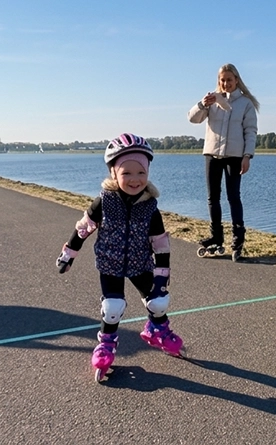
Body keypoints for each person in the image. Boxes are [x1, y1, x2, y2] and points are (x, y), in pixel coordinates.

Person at [56, 133, 182, 382]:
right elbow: (84, 228)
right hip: (110, 264)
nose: (135, 180)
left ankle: (158, 329)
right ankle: (106, 344)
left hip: (140, 263)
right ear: (114, 173)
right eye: (127, 173)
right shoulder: (105, 201)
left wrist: (162, 273)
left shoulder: (150, 206)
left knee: (158, 301)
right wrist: (68, 254)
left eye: (141, 173)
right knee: (112, 308)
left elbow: (160, 243)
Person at [188, 63, 259, 262]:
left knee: (233, 197)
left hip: (234, 156)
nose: (225, 83)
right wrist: (203, 104)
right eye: (222, 80)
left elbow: (250, 131)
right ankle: (216, 236)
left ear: (236, 80)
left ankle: (238, 240)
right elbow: (193, 119)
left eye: (229, 79)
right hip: (212, 154)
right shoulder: (211, 101)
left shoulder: (245, 104)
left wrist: (247, 156)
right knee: (213, 198)